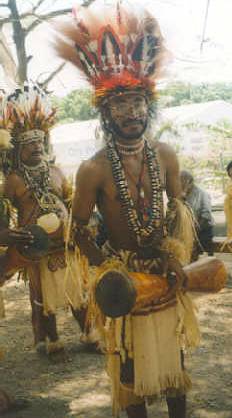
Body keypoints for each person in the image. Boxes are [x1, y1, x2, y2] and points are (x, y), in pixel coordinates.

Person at [55, 3, 200, 418]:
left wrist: (173, 252)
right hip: (122, 275)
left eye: (138, 102)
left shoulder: (166, 155)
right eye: (120, 105)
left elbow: (177, 209)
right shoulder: (94, 169)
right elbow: (77, 228)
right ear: (105, 112)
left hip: (163, 270)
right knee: (131, 367)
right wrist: (108, 269)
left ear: (148, 106)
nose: (131, 112)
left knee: (175, 363)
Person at [2, 84, 72, 355]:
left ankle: (89, 332)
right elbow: (4, 216)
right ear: (17, 150)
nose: (36, 148)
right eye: (29, 144)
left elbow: (70, 201)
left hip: (64, 243)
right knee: (41, 295)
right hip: (34, 245)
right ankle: (49, 339)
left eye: (39, 142)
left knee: (76, 291)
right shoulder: (13, 180)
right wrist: (10, 237)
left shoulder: (56, 171)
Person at [180, 170, 214, 259]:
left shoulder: (202, 193)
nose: (181, 184)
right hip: (188, 230)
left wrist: (195, 229)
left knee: (204, 254)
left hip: (203, 228)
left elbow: (206, 215)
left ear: (190, 182)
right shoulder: (181, 194)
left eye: (183, 181)